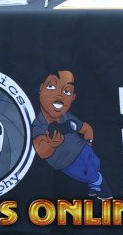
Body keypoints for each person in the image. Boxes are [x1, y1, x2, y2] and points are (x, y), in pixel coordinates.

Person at [31, 70, 112, 199]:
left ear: (73, 97)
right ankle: (100, 184)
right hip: (65, 163)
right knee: (89, 175)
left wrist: (89, 143)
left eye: (67, 91)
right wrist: (52, 145)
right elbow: (42, 152)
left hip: (83, 148)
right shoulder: (39, 124)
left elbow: (86, 128)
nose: (59, 95)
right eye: (51, 87)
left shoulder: (67, 117)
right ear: (41, 88)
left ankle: (94, 187)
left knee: (95, 164)